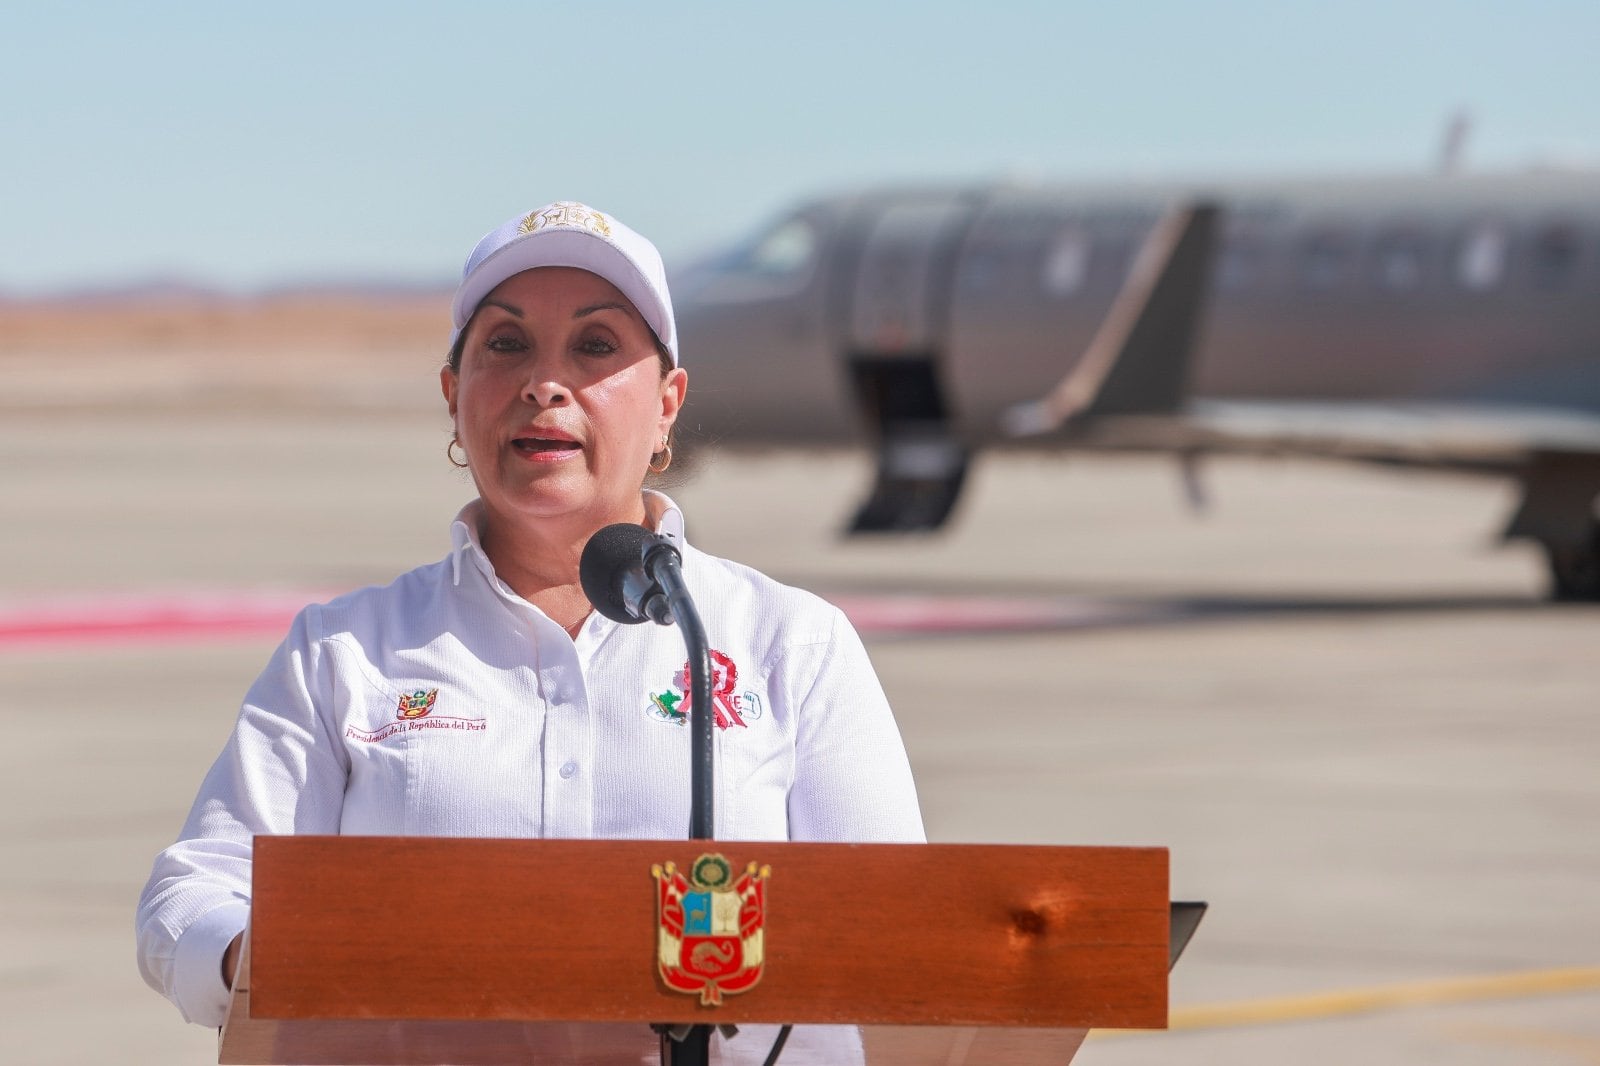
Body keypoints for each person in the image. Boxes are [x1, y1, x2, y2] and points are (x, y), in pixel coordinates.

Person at [135, 201, 924, 1034]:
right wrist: (280, 960)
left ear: (666, 404)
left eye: (595, 346)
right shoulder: (344, 654)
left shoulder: (791, 644)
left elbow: (904, 934)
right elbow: (193, 896)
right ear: (453, 395)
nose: (544, 384)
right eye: (505, 345)